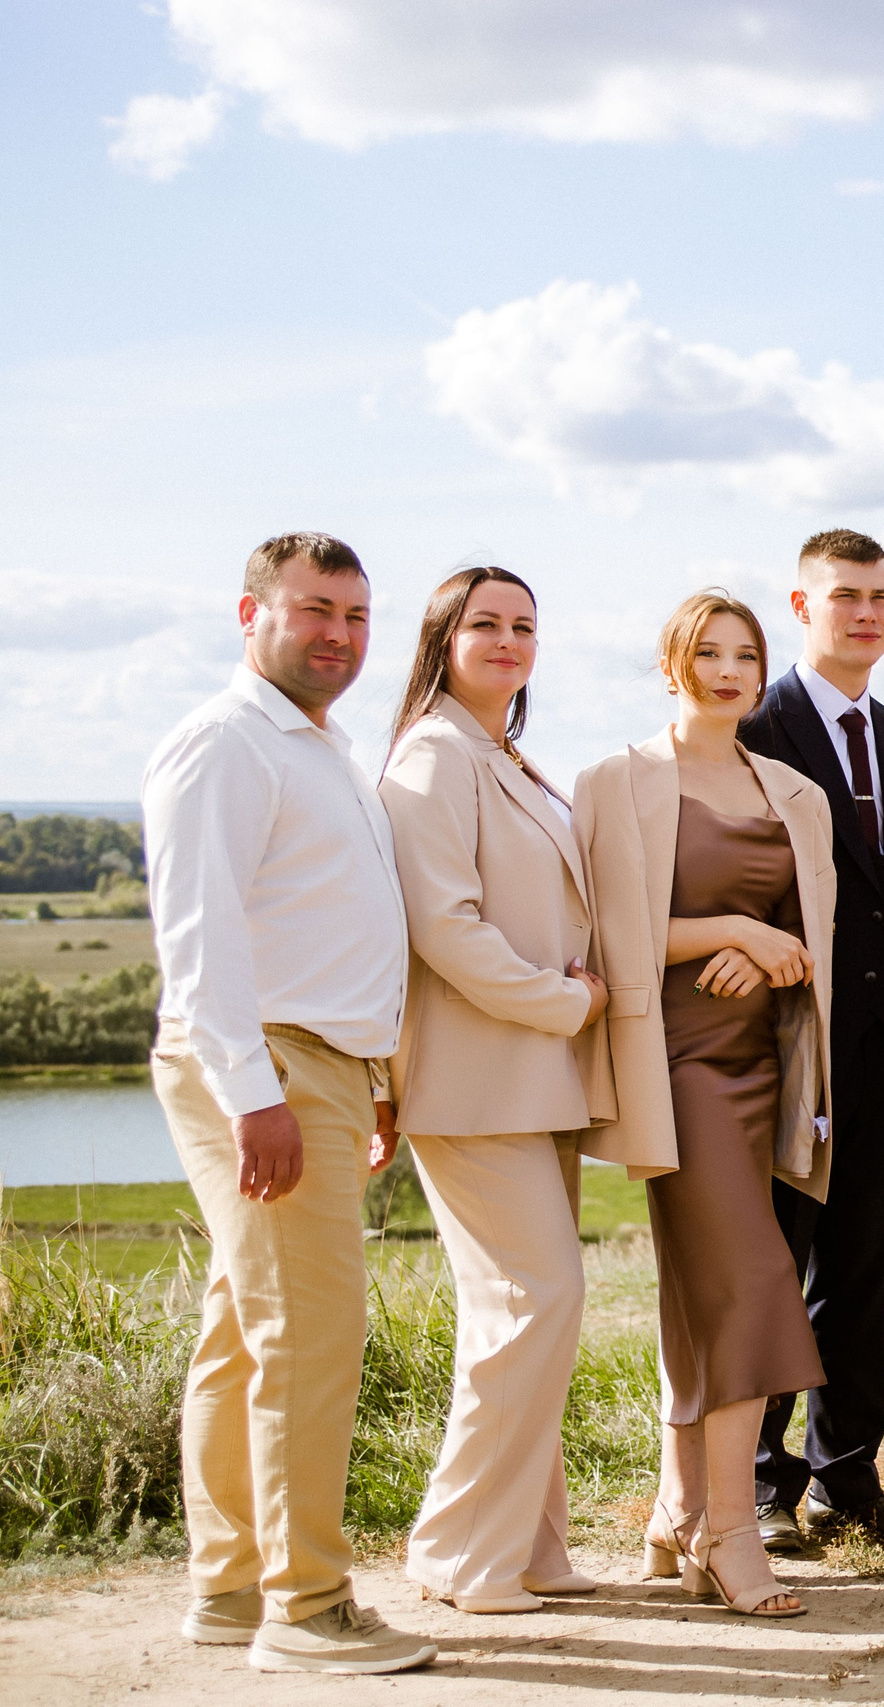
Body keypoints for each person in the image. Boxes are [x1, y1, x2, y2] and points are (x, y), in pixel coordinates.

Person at [143, 532, 436, 1674]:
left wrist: (375, 1074)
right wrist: (255, 1095)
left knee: (243, 1330)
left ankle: (229, 1590)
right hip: (260, 1063)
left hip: (319, 1066)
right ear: (250, 612)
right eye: (317, 609)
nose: (340, 635)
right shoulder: (222, 743)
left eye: (358, 617)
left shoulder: (320, 744)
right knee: (309, 1335)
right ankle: (306, 1610)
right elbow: (199, 941)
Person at [579, 590, 837, 1618]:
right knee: (750, 1278)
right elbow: (603, 932)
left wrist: (771, 958)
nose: (728, 671)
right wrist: (729, 928)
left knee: (703, 1293)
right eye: (707, 652)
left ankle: (673, 1516)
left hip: (762, 1065)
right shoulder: (616, 780)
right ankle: (732, 1528)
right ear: (669, 664)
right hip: (674, 1063)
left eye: (746, 655)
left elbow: (814, 939)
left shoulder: (793, 793)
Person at [378, 566, 614, 1614]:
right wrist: (565, 1003)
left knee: (521, 1318)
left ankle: (529, 1548)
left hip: (533, 1082)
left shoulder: (500, 753)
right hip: (476, 1081)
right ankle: (459, 1554)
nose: (509, 640)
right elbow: (446, 929)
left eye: (525, 625)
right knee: (534, 1304)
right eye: (487, 624)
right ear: (443, 637)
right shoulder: (433, 755)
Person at [735, 531, 884, 1551]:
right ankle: (762, 1484)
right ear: (800, 604)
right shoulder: (753, 727)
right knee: (779, 1259)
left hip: (881, 1041)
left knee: (862, 1261)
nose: (866, 614)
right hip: (781, 1039)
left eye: (882, 598)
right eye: (846, 597)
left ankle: (847, 1475)